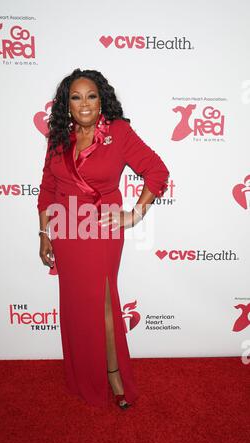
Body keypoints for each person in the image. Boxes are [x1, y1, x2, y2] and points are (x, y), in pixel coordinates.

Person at [37, 68, 169, 410]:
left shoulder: (119, 132)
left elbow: (157, 171)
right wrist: (44, 232)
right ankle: (82, 373)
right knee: (76, 306)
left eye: (91, 96)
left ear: (102, 100)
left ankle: (113, 373)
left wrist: (134, 214)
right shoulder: (59, 137)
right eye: (76, 97)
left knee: (105, 306)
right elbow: (48, 188)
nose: (84, 104)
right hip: (66, 232)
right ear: (66, 105)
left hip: (101, 230)